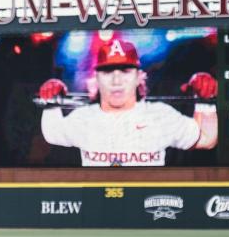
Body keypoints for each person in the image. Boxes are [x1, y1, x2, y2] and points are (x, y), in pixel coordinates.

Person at [38, 38, 218, 167]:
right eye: (108, 72)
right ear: (97, 79)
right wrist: (52, 102)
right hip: (97, 206)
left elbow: (207, 139)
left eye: (125, 71)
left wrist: (206, 102)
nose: (117, 81)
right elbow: (52, 134)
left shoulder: (160, 115)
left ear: (139, 77)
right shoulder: (84, 118)